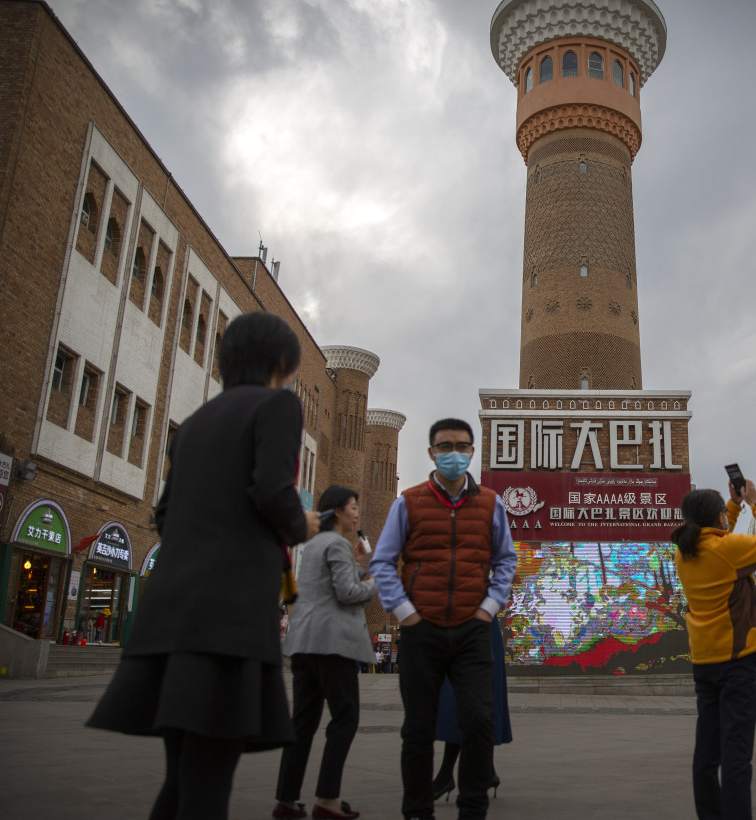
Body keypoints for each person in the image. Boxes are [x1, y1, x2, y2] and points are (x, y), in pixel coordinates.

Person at [87, 311, 319, 819]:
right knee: (208, 783)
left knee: (181, 781)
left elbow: (165, 515)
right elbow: (270, 491)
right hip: (227, 622)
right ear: (282, 363)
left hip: (169, 617)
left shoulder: (193, 424)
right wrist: (304, 524)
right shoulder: (277, 406)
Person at [370, 418, 517, 820]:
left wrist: (488, 608)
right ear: (432, 452)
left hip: (472, 630)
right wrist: (406, 613)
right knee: (417, 730)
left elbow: (506, 560)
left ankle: (473, 809)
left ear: (472, 451)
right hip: (422, 629)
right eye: (445, 446)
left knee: (478, 721)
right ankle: (418, 811)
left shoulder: (490, 502)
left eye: (462, 446)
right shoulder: (409, 501)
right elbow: (383, 561)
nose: (454, 453)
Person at [673, 477, 756, 820]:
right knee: (737, 757)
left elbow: (719, 538)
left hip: (705, 662)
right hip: (738, 662)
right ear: (717, 518)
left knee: (707, 755)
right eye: (722, 513)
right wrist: (754, 503)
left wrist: (731, 507)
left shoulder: (684, 552)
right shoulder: (727, 550)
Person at [273, 485, 376, 820]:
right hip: (332, 644)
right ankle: (327, 798)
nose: (357, 512)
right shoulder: (336, 543)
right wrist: (378, 581)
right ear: (336, 512)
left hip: (305, 644)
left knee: (302, 723)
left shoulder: (317, 543)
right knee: (345, 718)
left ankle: (286, 799)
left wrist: (359, 566)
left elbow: (329, 587)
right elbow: (347, 593)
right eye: (353, 506)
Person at [431, 618, 512, 803]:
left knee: (471, 700)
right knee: (468, 699)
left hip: (478, 626)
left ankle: (446, 775)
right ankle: (487, 771)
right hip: (459, 625)